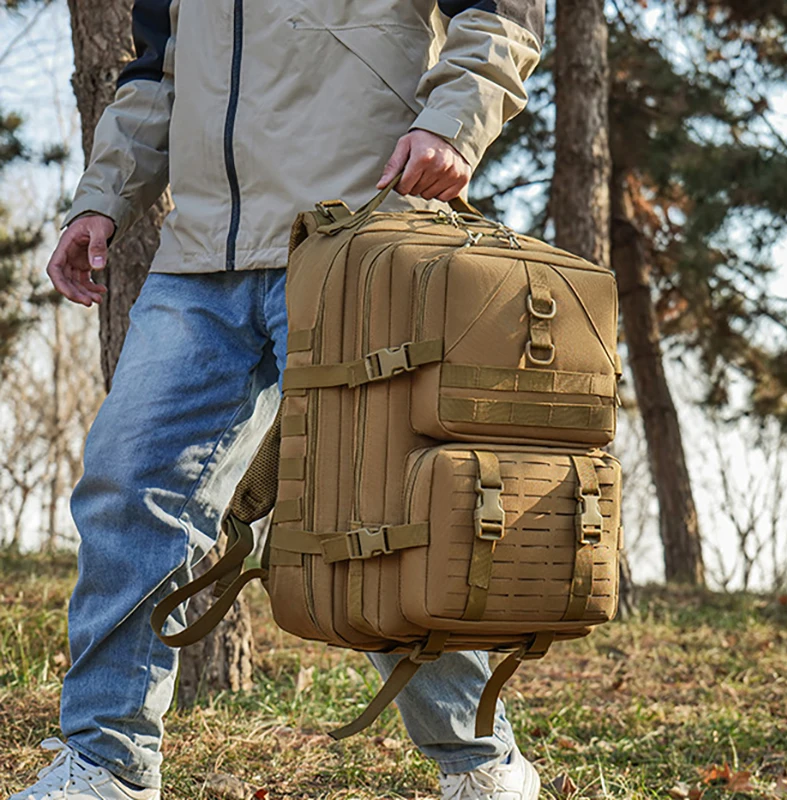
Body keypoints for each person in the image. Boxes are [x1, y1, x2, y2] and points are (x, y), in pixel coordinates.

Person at [11, 2, 544, 798]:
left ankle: (479, 765)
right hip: (197, 258)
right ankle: (107, 765)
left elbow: (504, 13)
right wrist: (101, 198)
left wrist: (454, 122)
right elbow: (157, 73)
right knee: (128, 489)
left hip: (356, 234)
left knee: (374, 518)